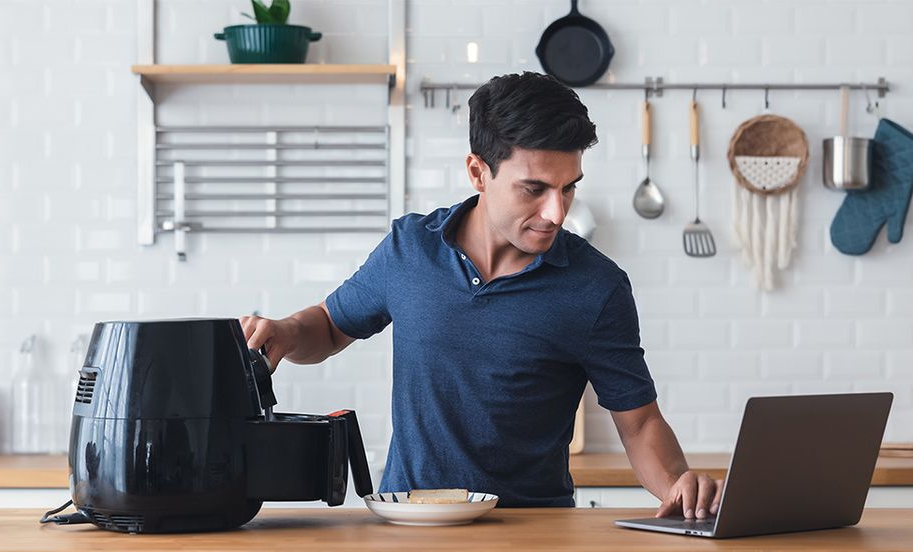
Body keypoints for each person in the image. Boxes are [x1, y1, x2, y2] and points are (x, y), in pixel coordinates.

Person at [240, 72, 721, 518]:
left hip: (534, 533)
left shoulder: (596, 287)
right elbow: (328, 325)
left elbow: (638, 424)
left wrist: (679, 484)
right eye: (534, 188)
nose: (556, 212)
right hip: (409, 522)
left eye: (568, 188)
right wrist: (284, 331)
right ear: (478, 172)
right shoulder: (410, 249)